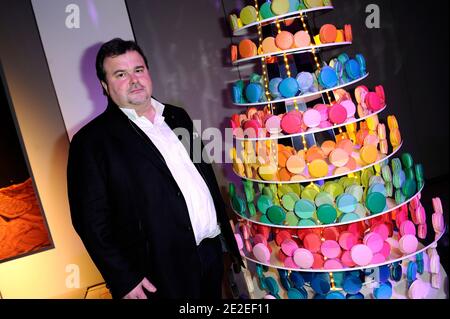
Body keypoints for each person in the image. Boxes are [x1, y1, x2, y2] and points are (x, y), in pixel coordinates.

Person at [67, 38, 242, 299]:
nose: (134, 80)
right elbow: (90, 221)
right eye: (120, 74)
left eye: (138, 70)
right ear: (105, 85)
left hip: (210, 253)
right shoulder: (91, 142)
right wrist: (123, 278)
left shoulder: (177, 116)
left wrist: (223, 233)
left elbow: (202, 177)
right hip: (158, 273)